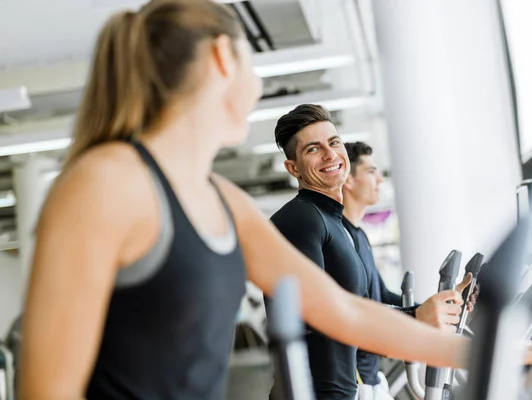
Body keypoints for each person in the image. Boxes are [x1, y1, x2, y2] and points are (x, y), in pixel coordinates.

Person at [18, 1, 477, 399]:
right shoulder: (104, 184)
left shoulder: (221, 199)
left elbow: (343, 311)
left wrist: (485, 352)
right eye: (252, 65)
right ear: (222, 57)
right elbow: (46, 391)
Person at [267, 105, 475, 400]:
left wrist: (432, 309)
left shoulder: (333, 222)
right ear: (294, 168)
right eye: (314, 149)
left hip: (343, 391)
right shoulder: (301, 220)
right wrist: (415, 317)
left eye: (334, 142)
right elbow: (318, 317)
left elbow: (361, 306)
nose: (330, 154)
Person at [341, 141, 479, 399]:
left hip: (371, 375)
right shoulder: (340, 240)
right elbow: (355, 311)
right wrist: (421, 315)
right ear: (348, 180)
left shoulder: (359, 236)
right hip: (354, 379)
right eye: (371, 171)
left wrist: (437, 309)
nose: (380, 180)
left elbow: (382, 297)